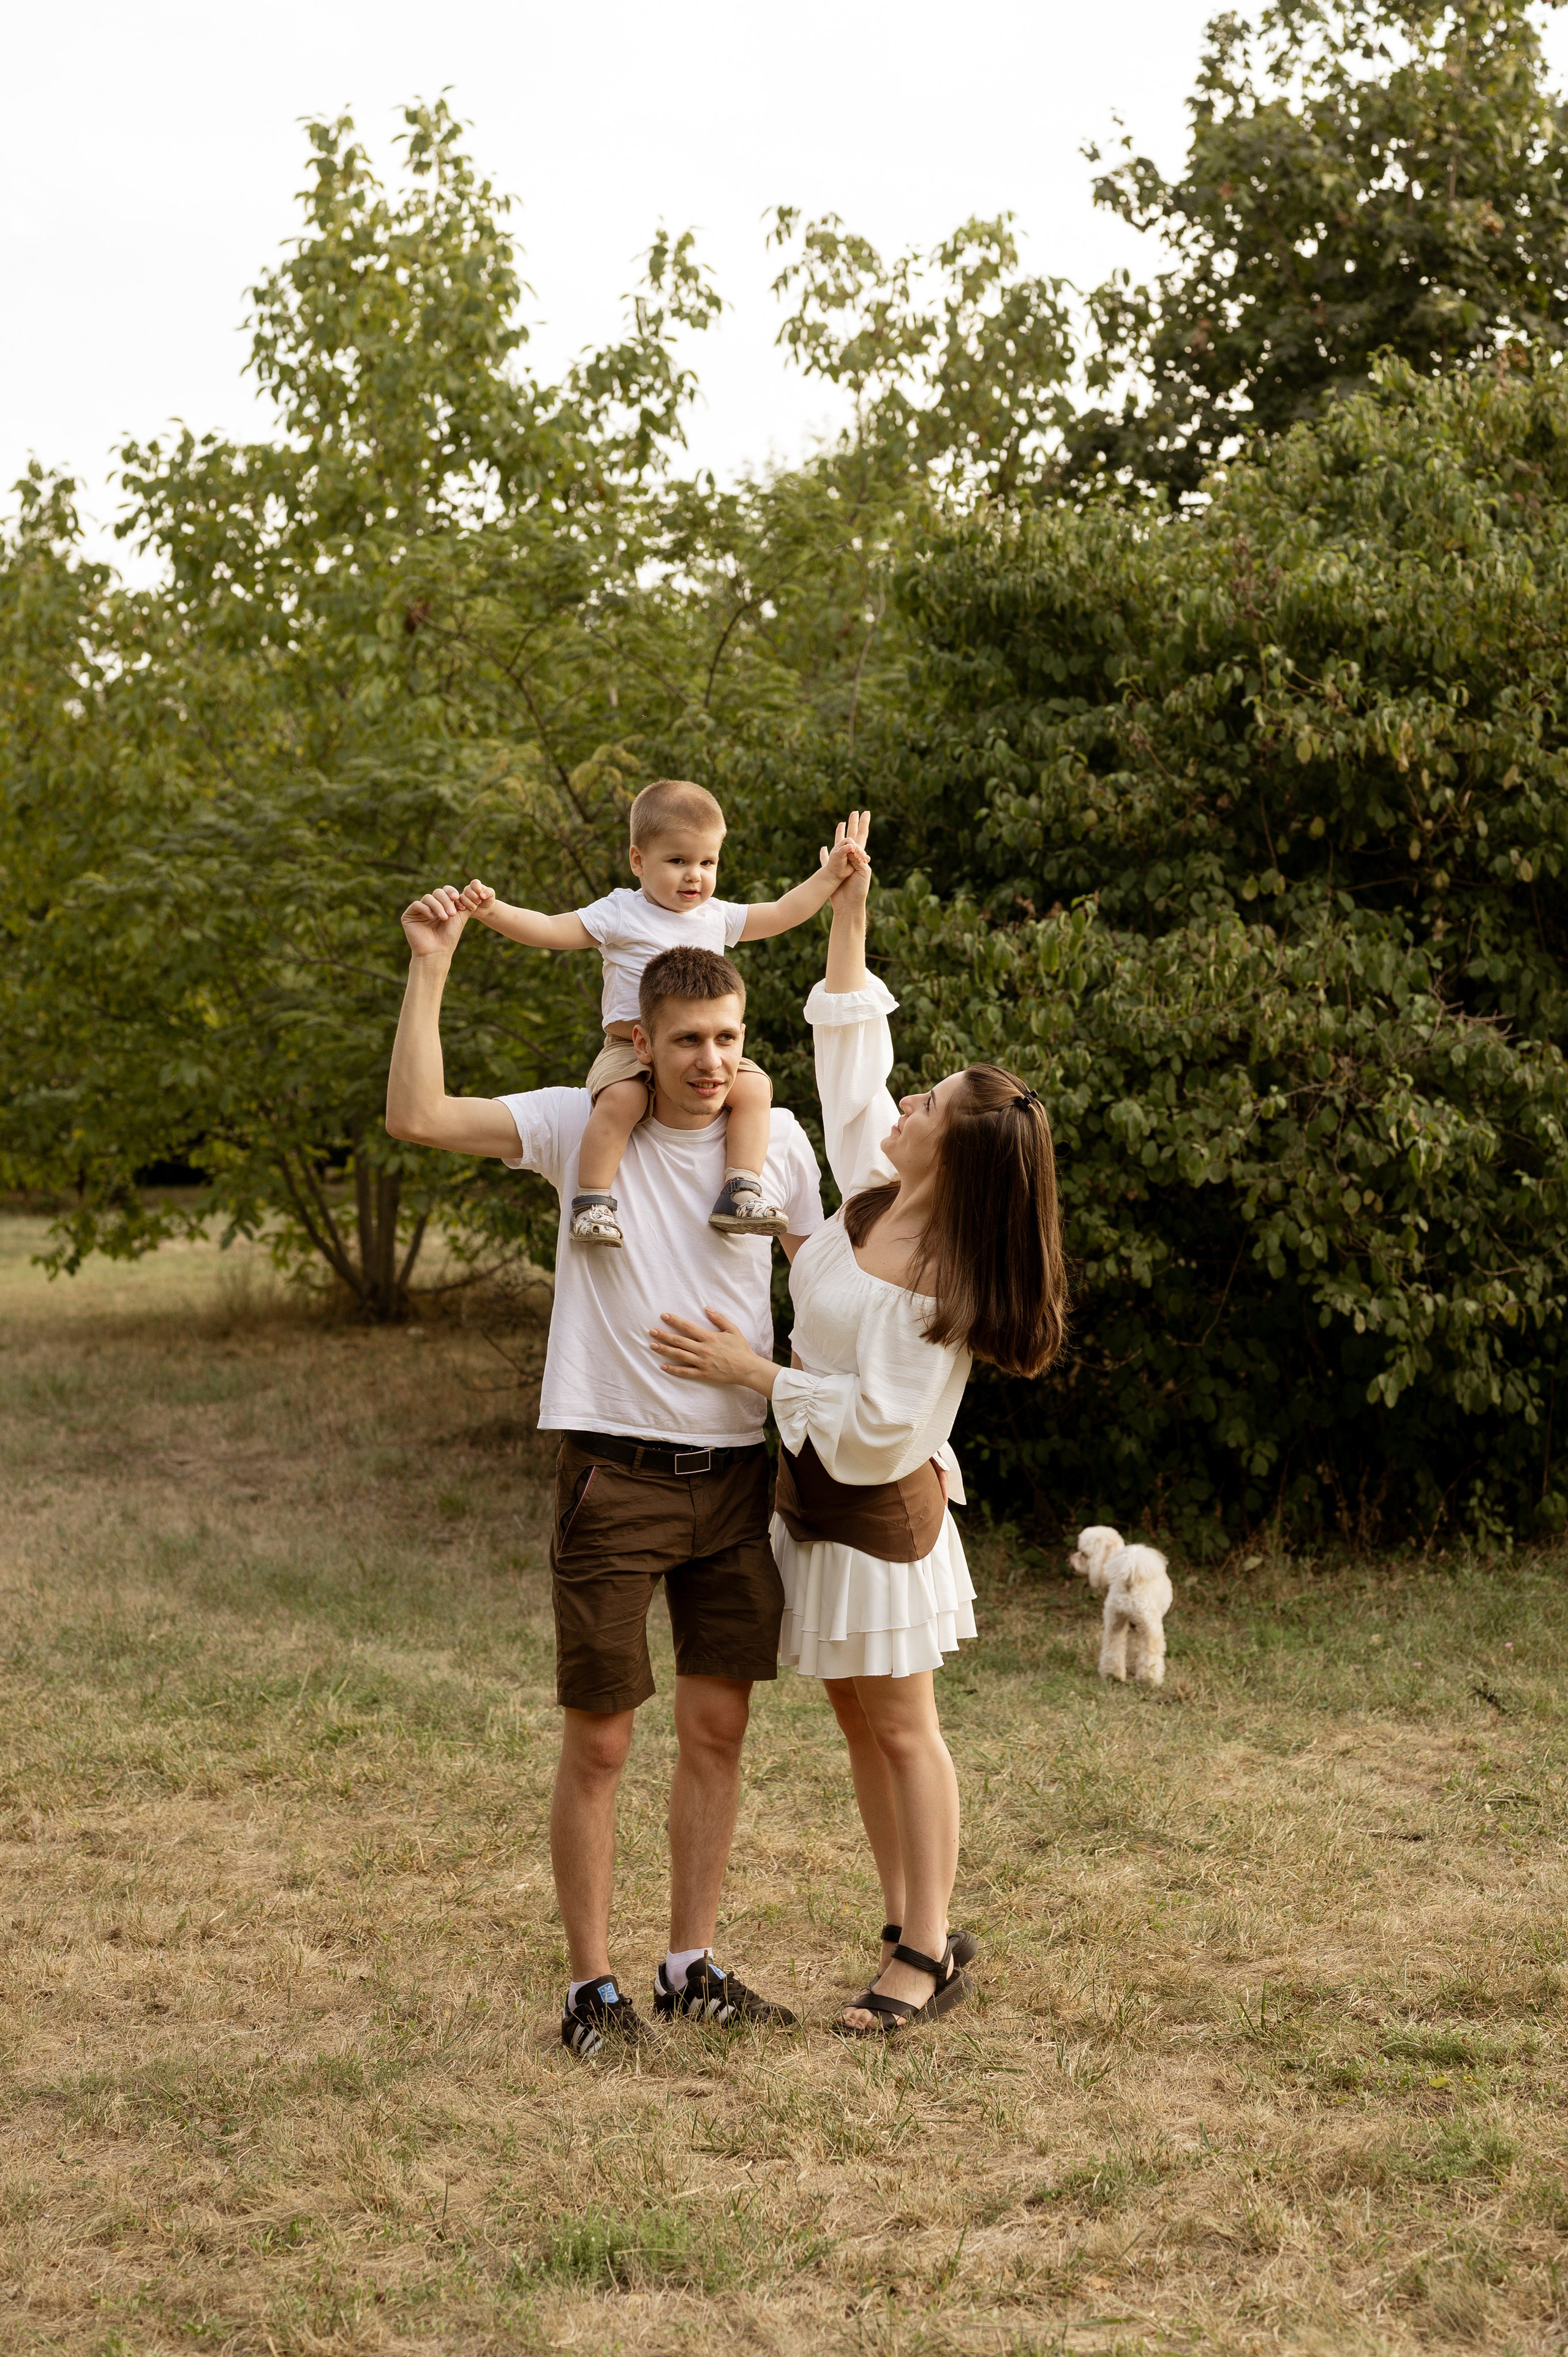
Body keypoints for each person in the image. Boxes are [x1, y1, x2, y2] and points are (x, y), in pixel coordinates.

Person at [384, 881, 852, 2059]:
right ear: (640, 1042)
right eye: (690, 1041)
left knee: (718, 1727)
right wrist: (432, 963)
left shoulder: (777, 1141)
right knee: (600, 1739)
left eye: (731, 1040)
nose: (712, 1062)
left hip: (738, 1475)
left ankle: (690, 1962)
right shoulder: (573, 1125)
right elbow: (421, 1117)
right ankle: (591, 1989)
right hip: (616, 1471)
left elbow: (840, 1283)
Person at [650, 813, 1069, 2038]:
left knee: (899, 1721)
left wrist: (752, 1371)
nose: (903, 1100)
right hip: (812, 1507)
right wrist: (845, 906)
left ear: (955, 1153)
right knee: (852, 1716)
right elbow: (847, 1058)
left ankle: (928, 1950)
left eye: (924, 1102)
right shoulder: (876, 1191)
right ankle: (902, 1917)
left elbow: (881, 1428)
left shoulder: (940, 1283)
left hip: (878, 1512)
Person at [455, 777, 866, 1251]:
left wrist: (831, 876)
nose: (695, 876)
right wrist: (493, 911)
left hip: (698, 1047)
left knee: (755, 1088)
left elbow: (781, 912)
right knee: (623, 1102)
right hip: (630, 1050)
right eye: (678, 861)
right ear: (638, 861)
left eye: (707, 862)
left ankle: (741, 1188)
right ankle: (591, 1202)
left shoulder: (716, 915)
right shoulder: (619, 913)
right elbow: (550, 929)